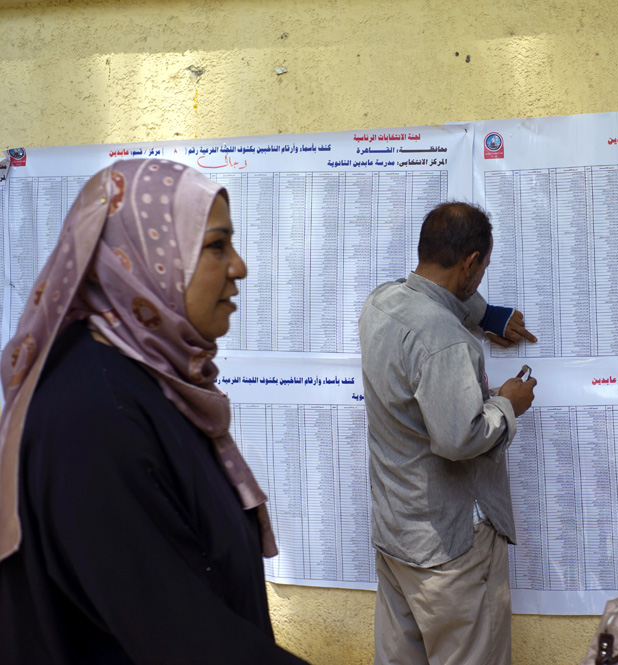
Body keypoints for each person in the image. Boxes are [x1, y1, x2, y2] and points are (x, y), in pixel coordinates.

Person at [0, 159, 308, 664]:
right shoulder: (95, 415)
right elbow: (183, 638)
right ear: (142, 259)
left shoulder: (151, 384)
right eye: (216, 245)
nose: (239, 267)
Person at [359, 201, 537, 665]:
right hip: (452, 549)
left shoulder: (381, 303)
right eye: (482, 268)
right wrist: (508, 404)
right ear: (471, 263)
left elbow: (438, 306)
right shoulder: (446, 340)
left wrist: (489, 316)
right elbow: (460, 439)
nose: (480, 279)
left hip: (398, 533)